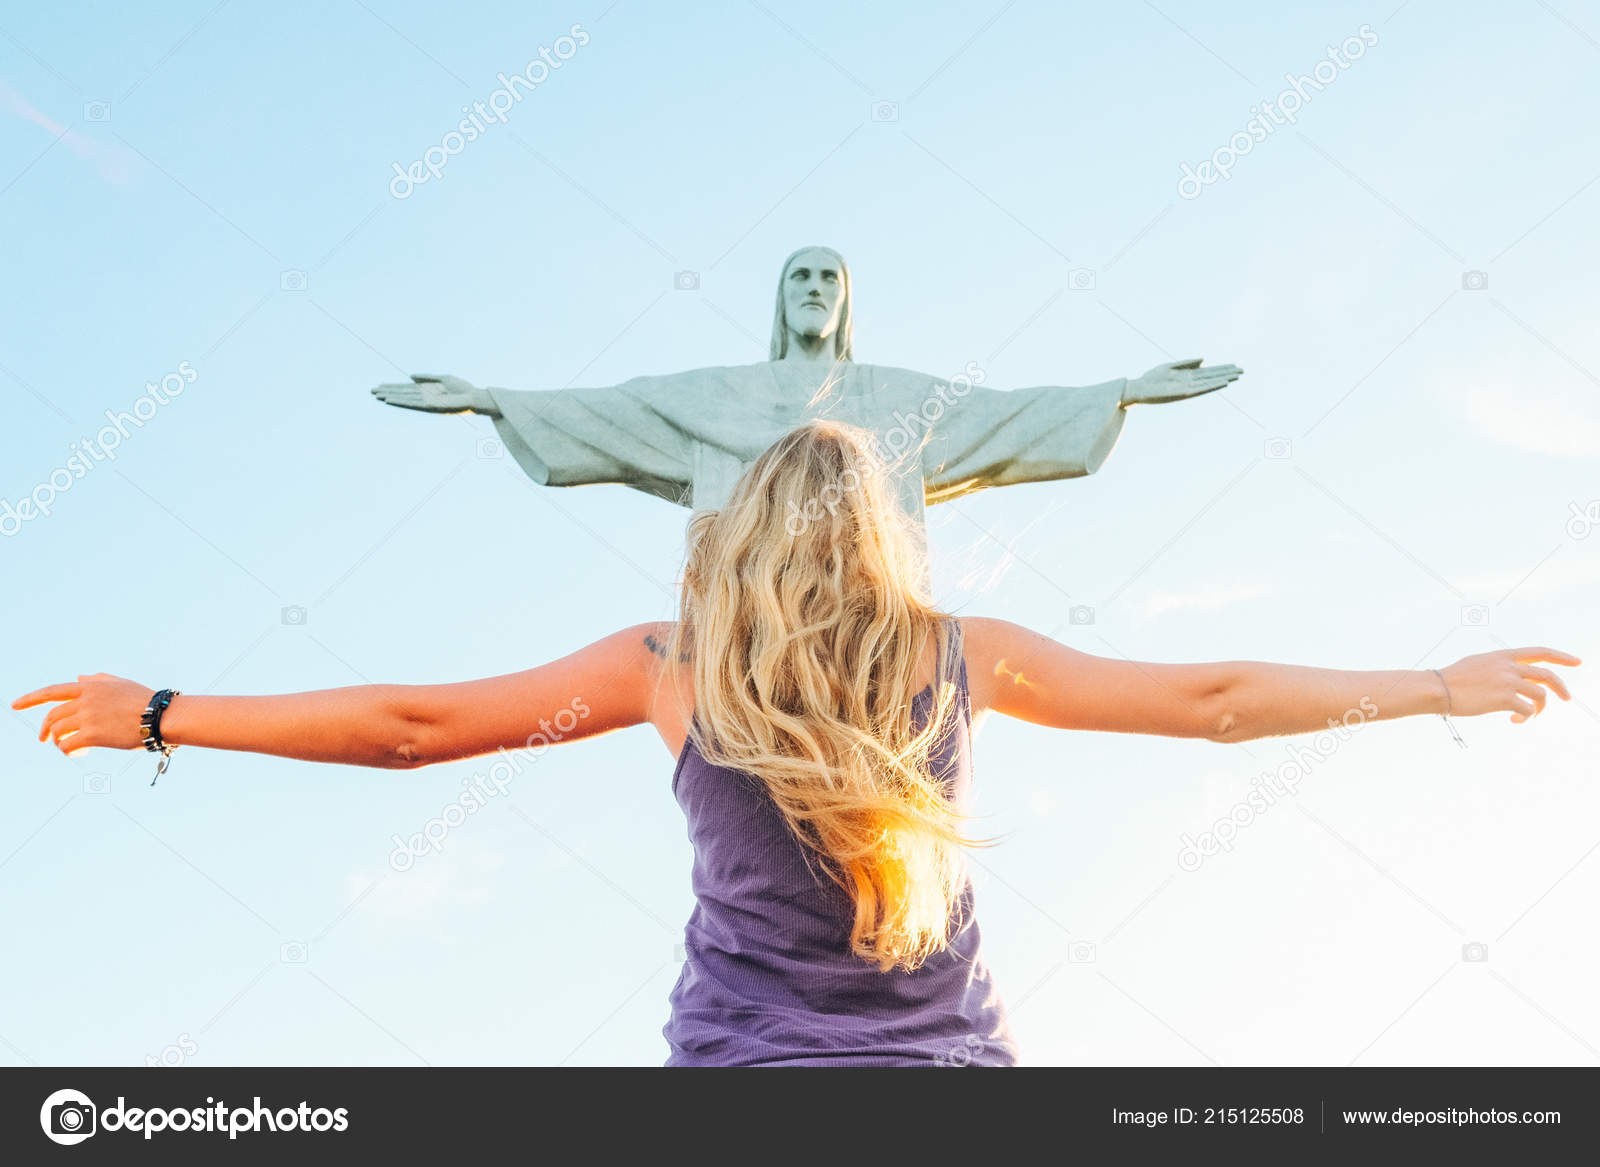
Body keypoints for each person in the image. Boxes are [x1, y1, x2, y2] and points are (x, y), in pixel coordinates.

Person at [11, 421, 1580, 1067]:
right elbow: (1213, 700)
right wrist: (1433, 685)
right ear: (886, 541)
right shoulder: (963, 657)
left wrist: (163, 713)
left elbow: (410, 734)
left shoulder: (668, 671)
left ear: (740, 536)